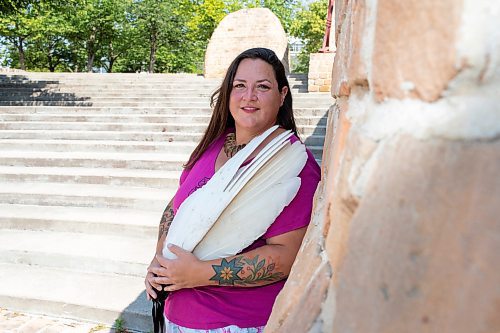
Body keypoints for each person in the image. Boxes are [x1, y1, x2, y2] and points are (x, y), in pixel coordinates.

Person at [144, 47, 321, 333]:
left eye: (262, 87)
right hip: (176, 317)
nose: (249, 96)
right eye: (240, 85)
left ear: (283, 95)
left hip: (238, 323)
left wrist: (200, 274)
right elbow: (175, 206)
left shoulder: (293, 163)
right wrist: (161, 259)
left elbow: (286, 257)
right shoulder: (212, 147)